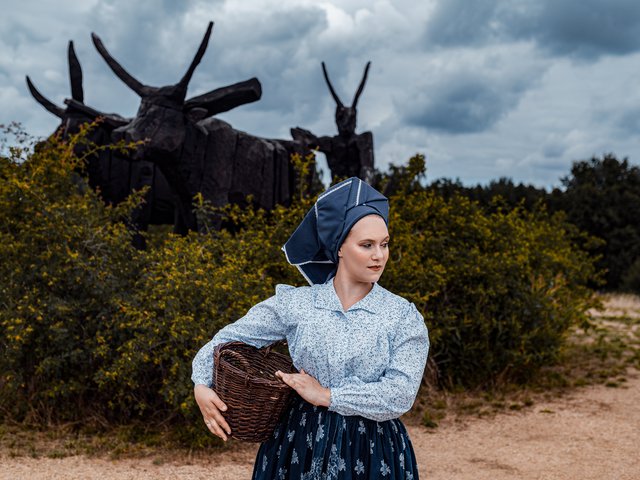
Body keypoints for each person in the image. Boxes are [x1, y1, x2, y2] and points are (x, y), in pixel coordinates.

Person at [192, 177, 430, 479]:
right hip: (298, 443)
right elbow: (226, 340)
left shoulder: (402, 315)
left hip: (372, 449)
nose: (379, 255)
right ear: (339, 247)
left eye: (384, 244)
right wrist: (201, 383)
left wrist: (327, 396)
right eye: (366, 245)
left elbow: (400, 394)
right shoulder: (298, 304)